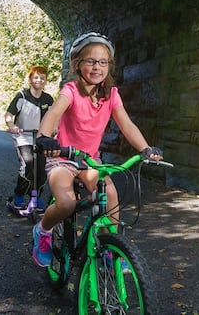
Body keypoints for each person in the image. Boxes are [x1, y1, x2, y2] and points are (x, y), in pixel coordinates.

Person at [30, 32, 162, 267]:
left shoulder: (111, 95)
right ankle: (43, 230)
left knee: (109, 195)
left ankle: (110, 246)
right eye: (90, 61)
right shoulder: (70, 90)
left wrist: (146, 148)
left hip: (90, 161)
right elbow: (54, 113)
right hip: (64, 158)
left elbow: (127, 125)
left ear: (108, 66)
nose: (96, 67)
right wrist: (43, 137)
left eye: (102, 62)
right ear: (77, 64)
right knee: (67, 202)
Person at [4, 65, 55, 210]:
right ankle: (19, 195)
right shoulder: (22, 96)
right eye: (36, 77)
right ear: (30, 79)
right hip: (23, 136)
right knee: (28, 163)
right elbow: (9, 114)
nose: (39, 80)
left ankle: (36, 197)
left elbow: (53, 117)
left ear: (45, 81)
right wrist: (12, 125)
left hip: (40, 137)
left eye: (42, 78)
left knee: (41, 168)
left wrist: (55, 129)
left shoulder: (48, 99)